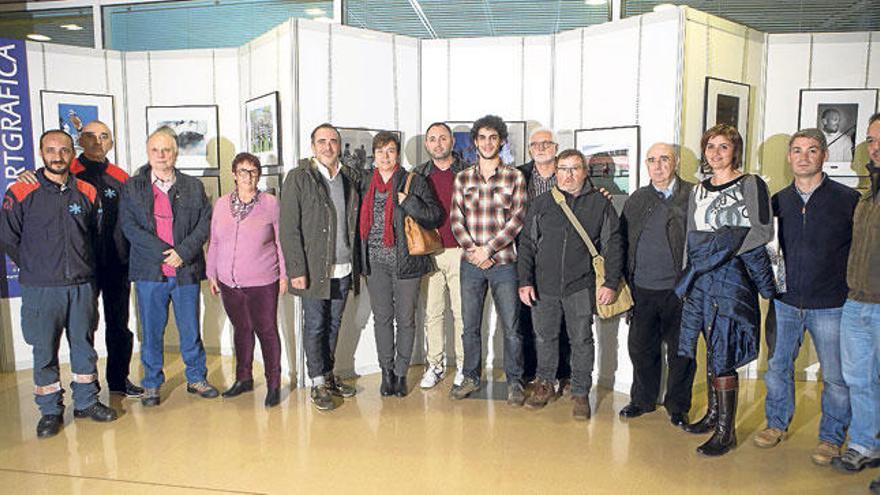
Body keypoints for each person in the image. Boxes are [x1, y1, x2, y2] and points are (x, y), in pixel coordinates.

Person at [0, 130, 117, 438]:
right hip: (41, 288)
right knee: (44, 350)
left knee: (84, 346)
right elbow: (9, 237)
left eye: (64, 150)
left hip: (80, 285)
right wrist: (35, 265)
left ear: (71, 153)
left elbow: (96, 234)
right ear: (41, 153)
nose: (57, 156)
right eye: (51, 150)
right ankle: (50, 410)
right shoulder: (21, 191)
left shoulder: (88, 192)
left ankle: (86, 402)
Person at [753, 129, 859, 465]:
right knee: (778, 367)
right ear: (789, 157)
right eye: (797, 151)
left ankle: (830, 438)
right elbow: (772, 252)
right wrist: (774, 289)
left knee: (836, 376)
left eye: (812, 150)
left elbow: (858, 251)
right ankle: (776, 423)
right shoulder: (778, 200)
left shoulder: (847, 199)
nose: (803, 157)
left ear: (824, 155)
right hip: (785, 302)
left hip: (831, 304)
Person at [17, 120, 142, 397]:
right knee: (82, 331)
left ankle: (119, 381)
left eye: (104, 136)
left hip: (116, 264)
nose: (97, 142)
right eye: (90, 136)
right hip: (79, 268)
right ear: (78, 143)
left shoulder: (122, 177)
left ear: (111, 142)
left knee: (118, 325)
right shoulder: (63, 171)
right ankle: (85, 390)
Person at [676, 124, 776, 456]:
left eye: (723, 147)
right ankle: (712, 416)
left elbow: (761, 231)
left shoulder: (751, 183)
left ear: (735, 150)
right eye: (710, 147)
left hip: (732, 274)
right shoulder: (698, 191)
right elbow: (692, 235)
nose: (716, 154)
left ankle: (725, 432)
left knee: (725, 345)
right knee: (709, 342)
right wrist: (688, 276)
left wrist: (720, 249)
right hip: (702, 276)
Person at [517, 149, 623, 419]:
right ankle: (544, 384)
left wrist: (610, 282)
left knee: (582, 341)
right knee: (545, 337)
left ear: (585, 172)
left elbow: (613, 245)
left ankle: (579, 392)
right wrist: (525, 281)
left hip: (581, 286)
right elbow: (527, 245)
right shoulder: (541, 204)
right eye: (563, 169)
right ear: (556, 172)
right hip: (544, 286)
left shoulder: (600, 204)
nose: (568, 174)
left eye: (574, 168)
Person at [121, 128, 219, 407]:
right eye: (156, 150)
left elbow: (204, 223)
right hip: (150, 272)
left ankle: (196, 378)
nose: (162, 155)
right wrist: (166, 254)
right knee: (151, 331)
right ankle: (151, 384)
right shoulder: (132, 187)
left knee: (190, 329)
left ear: (176, 153)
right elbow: (130, 227)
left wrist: (183, 253)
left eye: (167, 150)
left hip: (185, 271)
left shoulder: (193, 186)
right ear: (148, 153)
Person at [280, 123, 360, 411]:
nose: (328, 146)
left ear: (339, 145)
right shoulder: (299, 177)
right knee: (315, 325)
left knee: (334, 324)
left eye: (333, 141)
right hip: (313, 271)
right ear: (313, 146)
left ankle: (327, 373)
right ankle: (316, 382)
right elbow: (288, 228)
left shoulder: (348, 177)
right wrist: (296, 270)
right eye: (322, 141)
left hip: (344, 267)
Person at [448, 115, 528, 405]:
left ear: (502, 140)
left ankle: (515, 382)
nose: (487, 142)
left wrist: (488, 250)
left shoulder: (514, 177)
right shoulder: (463, 178)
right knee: (470, 325)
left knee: (512, 326)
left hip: (504, 263)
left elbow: (517, 219)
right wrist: (474, 251)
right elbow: (456, 219)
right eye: (482, 137)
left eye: (493, 137)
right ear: (475, 142)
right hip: (470, 264)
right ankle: (470, 377)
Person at [618, 143, 696, 427]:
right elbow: (622, 242)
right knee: (640, 348)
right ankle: (642, 400)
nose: (658, 165)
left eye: (664, 159)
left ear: (674, 162)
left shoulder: (693, 195)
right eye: (652, 160)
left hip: (681, 290)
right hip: (642, 289)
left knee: (681, 351)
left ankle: (677, 406)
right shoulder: (637, 199)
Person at [360, 131, 442, 397]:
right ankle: (386, 373)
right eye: (381, 151)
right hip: (375, 262)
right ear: (374, 155)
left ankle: (401, 372)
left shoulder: (413, 181)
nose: (385, 156)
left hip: (406, 262)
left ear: (398, 154)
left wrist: (410, 202)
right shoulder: (365, 182)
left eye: (391, 150)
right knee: (382, 319)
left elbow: (434, 216)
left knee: (405, 320)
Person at [206, 152, 287, 408]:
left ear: (259, 175)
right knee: (241, 330)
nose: (247, 176)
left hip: (263, 280)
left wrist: (284, 275)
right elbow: (215, 240)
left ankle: (273, 384)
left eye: (252, 171)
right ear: (234, 174)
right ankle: (243, 378)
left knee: (266, 330)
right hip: (229, 281)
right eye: (243, 171)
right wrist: (211, 273)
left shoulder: (271, 203)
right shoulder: (220, 204)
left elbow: (280, 241)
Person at [831, 113, 880, 473]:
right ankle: (866, 444)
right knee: (859, 379)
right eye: (871, 140)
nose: (875, 148)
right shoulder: (868, 194)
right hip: (857, 301)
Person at [412, 122, 468, 389]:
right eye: (432, 139)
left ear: (452, 142)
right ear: (426, 144)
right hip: (430, 252)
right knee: (433, 314)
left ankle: (463, 367)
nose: (437, 143)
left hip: (462, 252)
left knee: (461, 314)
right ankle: (435, 365)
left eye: (442, 138)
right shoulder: (417, 174)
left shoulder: (468, 172)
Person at [516, 128, 571, 391]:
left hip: (561, 257)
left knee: (561, 318)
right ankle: (533, 373)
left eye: (546, 143)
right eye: (535, 144)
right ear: (529, 150)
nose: (540, 147)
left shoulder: (569, 173)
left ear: (556, 146)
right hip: (526, 254)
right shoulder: (519, 174)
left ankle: (563, 373)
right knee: (526, 315)